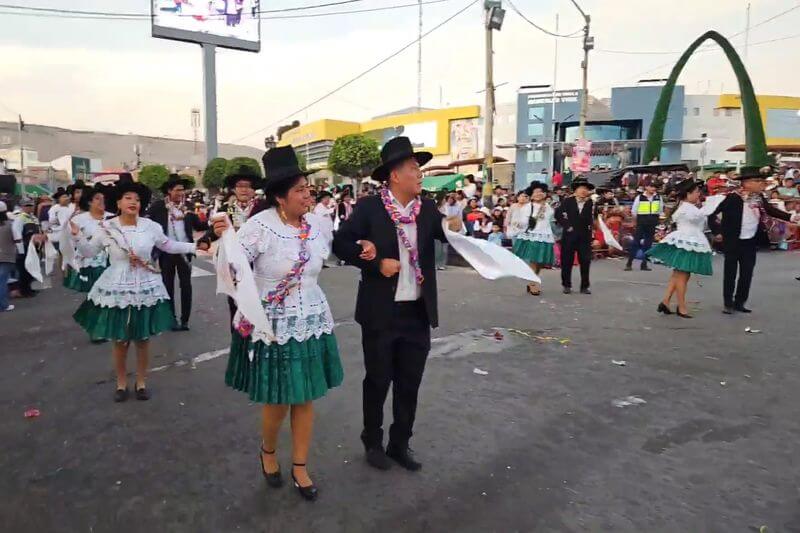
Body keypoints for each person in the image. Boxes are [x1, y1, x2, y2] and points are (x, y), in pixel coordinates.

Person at [211, 146, 343, 501]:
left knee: (306, 397)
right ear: (280, 198)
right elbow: (232, 269)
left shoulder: (317, 224)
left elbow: (332, 253)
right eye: (300, 190)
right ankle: (268, 451)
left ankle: (300, 465)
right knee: (278, 398)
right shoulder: (259, 227)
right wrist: (224, 241)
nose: (307, 194)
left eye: (308, 188)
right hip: (274, 323)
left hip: (311, 317)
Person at [332, 136, 462, 473]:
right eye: (414, 169)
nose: (420, 174)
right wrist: (374, 263)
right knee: (378, 380)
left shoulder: (427, 209)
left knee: (410, 382)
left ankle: (399, 443)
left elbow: (447, 236)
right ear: (394, 175)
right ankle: (372, 441)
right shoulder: (370, 208)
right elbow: (341, 243)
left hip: (417, 312)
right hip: (380, 312)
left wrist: (456, 228)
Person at [72, 180, 207, 402]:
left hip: (145, 286)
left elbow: (169, 245)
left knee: (143, 339)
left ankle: (141, 382)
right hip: (117, 287)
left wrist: (195, 246)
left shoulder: (150, 226)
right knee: (120, 340)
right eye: (128, 198)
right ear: (117, 202)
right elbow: (88, 251)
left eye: (136, 199)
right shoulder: (106, 228)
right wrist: (77, 236)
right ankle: (121, 383)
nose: (133, 202)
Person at [709, 167, 798, 314]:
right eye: (758, 181)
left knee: (747, 272)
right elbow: (712, 215)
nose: (761, 184)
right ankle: (728, 303)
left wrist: (790, 217)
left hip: (750, 240)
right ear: (746, 183)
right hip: (733, 240)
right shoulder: (732, 197)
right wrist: (717, 232)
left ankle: (740, 302)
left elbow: (770, 210)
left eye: (762, 181)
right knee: (730, 272)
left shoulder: (758, 197)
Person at [648, 179, 725, 318]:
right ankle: (681, 306)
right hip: (687, 240)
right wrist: (716, 198)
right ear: (688, 194)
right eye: (696, 192)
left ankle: (666, 302)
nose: (698, 195)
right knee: (682, 274)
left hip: (687, 239)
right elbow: (704, 213)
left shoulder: (686, 206)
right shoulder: (687, 208)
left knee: (678, 274)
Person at [147, 174, 208, 331]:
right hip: (166, 253)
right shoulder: (158, 207)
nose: (181, 193)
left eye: (183, 190)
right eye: (178, 190)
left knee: (186, 286)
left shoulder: (187, 207)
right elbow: (147, 224)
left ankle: (185, 320)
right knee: (168, 286)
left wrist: (214, 222)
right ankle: (171, 318)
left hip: (184, 253)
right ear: (169, 191)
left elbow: (199, 226)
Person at [63, 185, 112, 294]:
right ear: (90, 202)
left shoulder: (113, 218)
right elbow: (69, 243)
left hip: (110, 263)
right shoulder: (78, 220)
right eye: (98, 198)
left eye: (103, 199)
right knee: (93, 294)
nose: (102, 201)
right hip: (88, 263)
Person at [509, 182, 555, 295]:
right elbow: (521, 221)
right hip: (532, 235)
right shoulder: (527, 207)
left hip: (546, 235)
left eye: (541, 192)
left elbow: (551, 220)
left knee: (540, 262)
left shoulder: (548, 207)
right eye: (536, 192)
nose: (538, 194)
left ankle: (532, 281)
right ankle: (533, 283)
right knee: (534, 260)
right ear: (532, 194)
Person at [555, 178, 595, 295]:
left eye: (586, 189)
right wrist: (567, 226)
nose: (583, 191)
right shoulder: (568, 201)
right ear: (576, 190)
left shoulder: (591, 203)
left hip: (585, 236)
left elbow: (595, 219)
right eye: (581, 188)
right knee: (567, 261)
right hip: (569, 235)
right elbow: (558, 214)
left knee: (585, 261)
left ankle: (585, 286)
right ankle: (566, 285)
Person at [625, 182, 663, 271]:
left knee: (648, 244)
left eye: (655, 187)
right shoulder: (640, 198)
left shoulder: (658, 198)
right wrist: (634, 222)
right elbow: (634, 212)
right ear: (646, 187)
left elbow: (660, 210)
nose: (653, 189)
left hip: (652, 223)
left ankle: (644, 264)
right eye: (651, 186)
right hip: (641, 223)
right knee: (636, 243)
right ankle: (629, 263)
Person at [11, 198, 42, 298]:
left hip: (35, 247)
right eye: (27, 206)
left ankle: (28, 288)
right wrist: (20, 250)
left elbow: (38, 231)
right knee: (24, 270)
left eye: (31, 205)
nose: (29, 207)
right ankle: (24, 291)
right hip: (25, 248)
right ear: (22, 207)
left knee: (32, 269)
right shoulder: (20, 218)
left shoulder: (34, 218)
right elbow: (16, 233)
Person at [0, 201, 16, 312]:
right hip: (7, 256)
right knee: (2, 281)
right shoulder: (10, 225)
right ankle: (3, 305)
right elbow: (16, 239)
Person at [47, 187, 73, 252]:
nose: (66, 199)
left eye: (67, 197)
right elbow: (52, 221)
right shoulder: (54, 208)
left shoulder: (71, 207)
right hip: (57, 236)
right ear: (59, 199)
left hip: (69, 236)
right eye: (63, 197)